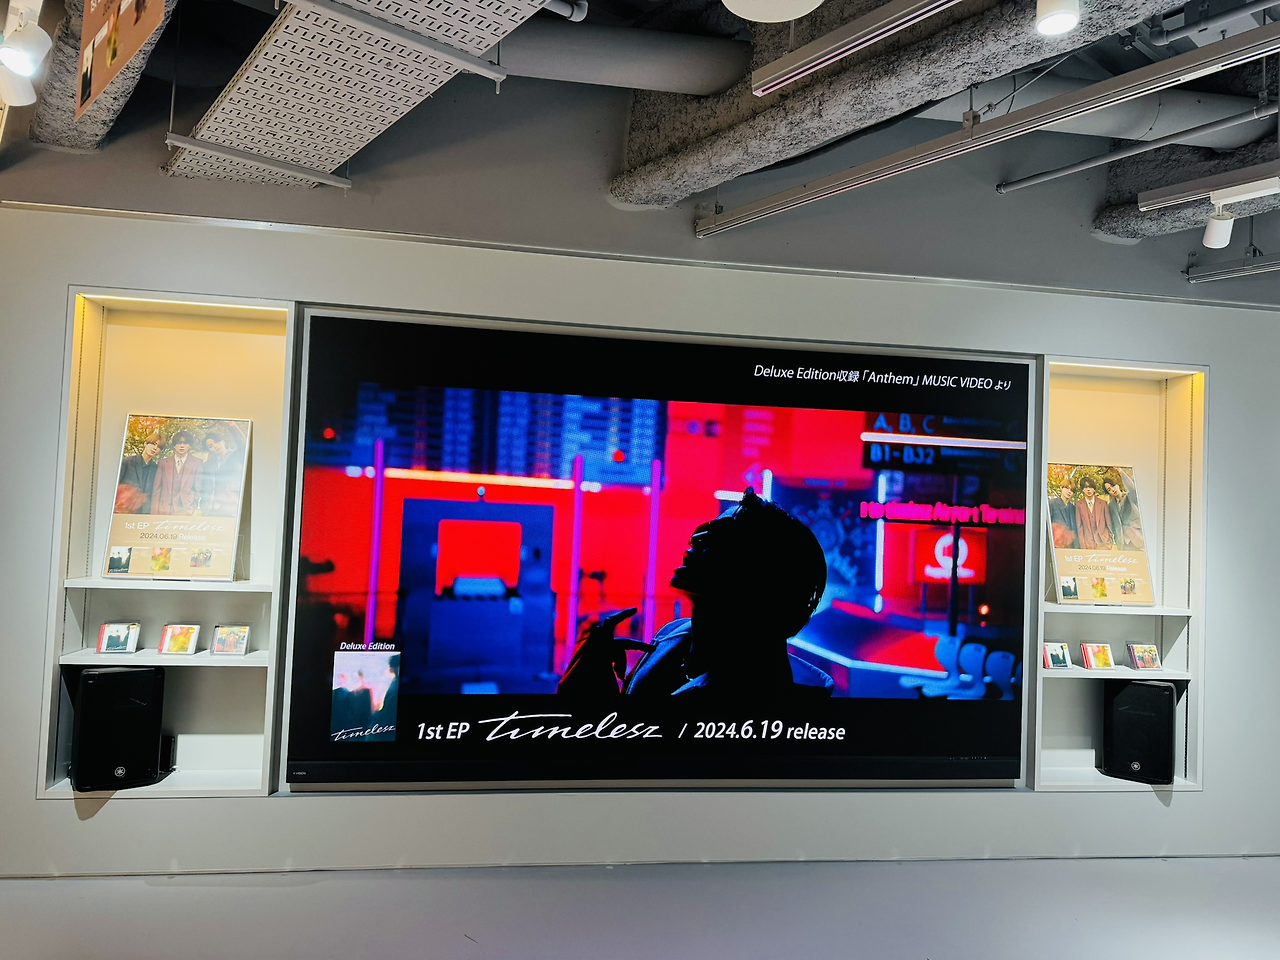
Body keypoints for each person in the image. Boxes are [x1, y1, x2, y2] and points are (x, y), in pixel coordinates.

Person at [558, 489, 834, 697]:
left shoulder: (762, 700)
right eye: (704, 529)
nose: (695, 538)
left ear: (762, 572)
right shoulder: (673, 635)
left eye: (721, 535)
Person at [151, 429, 205, 515]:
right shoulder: (164, 463)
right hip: (164, 510)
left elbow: (198, 488)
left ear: (190, 446)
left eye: (185, 443)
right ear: (174, 445)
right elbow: (156, 489)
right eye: (179, 443)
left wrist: (192, 508)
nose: (182, 446)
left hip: (186, 510)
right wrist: (154, 513)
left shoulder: (197, 463)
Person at [201, 429, 245, 517]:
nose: (215, 446)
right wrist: (204, 508)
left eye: (216, 442)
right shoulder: (208, 464)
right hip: (213, 509)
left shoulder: (236, 455)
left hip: (233, 505)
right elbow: (205, 488)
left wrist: (233, 426)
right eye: (210, 446)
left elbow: (243, 444)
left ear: (223, 441)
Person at [115, 432, 161, 514]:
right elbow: (115, 485)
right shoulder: (127, 462)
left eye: (159, 447)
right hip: (124, 509)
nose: (155, 448)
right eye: (153, 444)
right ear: (145, 444)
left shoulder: (156, 468)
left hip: (143, 511)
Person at [1103, 478, 1144, 550]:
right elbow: (1113, 524)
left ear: (1117, 485)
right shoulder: (1111, 506)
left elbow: (1132, 488)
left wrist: (1121, 473)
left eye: (1113, 486)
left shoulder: (1130, 496)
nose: (1113, 489)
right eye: (1109, 490)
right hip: (1124, 542)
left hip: (1138, 537)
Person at [1074, 476, 1113, 549]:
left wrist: (1110, 543)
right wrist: (1083, 546)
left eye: (1090, 487)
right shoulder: (1078, 505)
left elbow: (1108, 523)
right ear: (1082, 489)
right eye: (1086, 487)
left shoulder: (1103, 504)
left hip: (1103, 543)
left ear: (1094, 489)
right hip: (1088, 545)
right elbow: (1079, 527)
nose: (1088, 490)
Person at [1047, 479, 1077, 548]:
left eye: (1071, 490)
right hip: (1055, 543)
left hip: (1070, 545)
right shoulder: (1052, 503)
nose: (1069, 491)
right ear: (1061, 488)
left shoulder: (1073, 508)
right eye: (1067, 488)